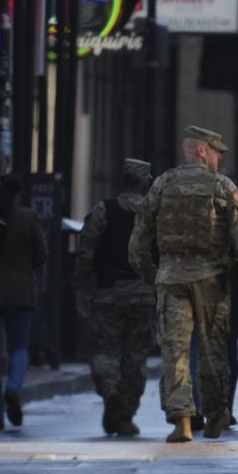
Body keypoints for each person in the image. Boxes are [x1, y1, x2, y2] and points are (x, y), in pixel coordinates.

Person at [128, 126, 238, 443]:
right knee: (213, 351)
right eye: (217, 152)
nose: (219, 158)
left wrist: (151, 276)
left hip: (171, 281)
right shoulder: (221, 186)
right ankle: (216, 414)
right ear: (203, 151)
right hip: (211, 282)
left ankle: (182, 420)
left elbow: (138, 244)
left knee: (175, 351)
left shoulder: (161, 185)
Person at [72, 158, 155, 437]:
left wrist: (82, 284)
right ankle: (126, 414)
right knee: (136, 356)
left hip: (108, 293)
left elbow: (86, 251)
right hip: (144, 294)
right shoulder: (153, 213)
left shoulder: (102, 210)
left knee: (105, 351)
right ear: (145, 183)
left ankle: (110, 392)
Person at [0, 174, 48, 431]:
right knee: (19, 346)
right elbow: (41, 255)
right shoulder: (28, 218)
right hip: (21, 290)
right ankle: (14, 388)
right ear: (18, 194)